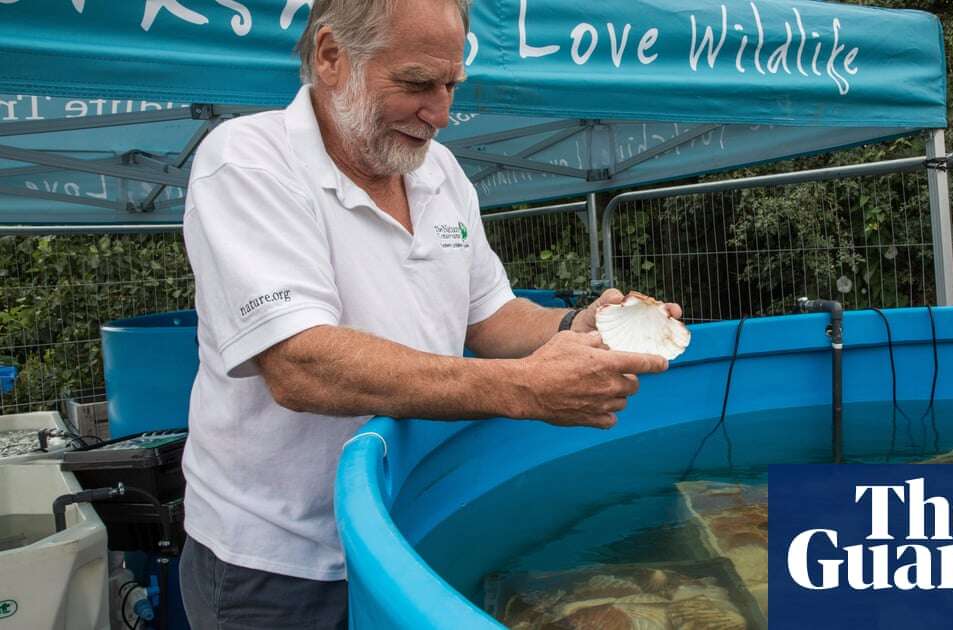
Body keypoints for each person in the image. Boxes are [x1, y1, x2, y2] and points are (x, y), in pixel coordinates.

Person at [177, 0, 681, 627]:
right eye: (417, 83)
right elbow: (299, 363)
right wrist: (524, 389)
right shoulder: (248, 160)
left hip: (407, 520)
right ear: (332, 56)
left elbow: (490, 316)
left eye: (450, 86)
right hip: (280, 560)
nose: (440, 114)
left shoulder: (438, 171)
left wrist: (573, 326)